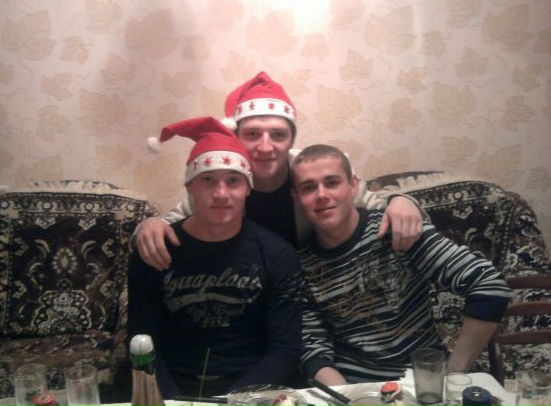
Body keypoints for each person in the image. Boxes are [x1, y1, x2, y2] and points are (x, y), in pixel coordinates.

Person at [137, 72, 424, 270]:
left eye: (277, 135)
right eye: (252, 134)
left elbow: (376, 205)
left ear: (291, 140)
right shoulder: (225, 183)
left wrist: (402, 200)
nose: (266, 147)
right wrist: (148, 226)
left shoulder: (313, 175)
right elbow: (174, 221)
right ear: (236, 138)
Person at [289, 144, 513, 385]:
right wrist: (347, 397)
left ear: (353, 185)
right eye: (309, 187)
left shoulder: (398, 230)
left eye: (332, 182)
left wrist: (453, 376)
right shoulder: (300, 264)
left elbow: (489, 288)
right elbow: (312, 349)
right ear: (296, 197)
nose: (322, 195)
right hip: (350, 387)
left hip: (418, 383)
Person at [128, 116, 304, 398]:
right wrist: (171, 400)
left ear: (248, 188)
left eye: (233, 181)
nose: (221, 193)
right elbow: (142, 343)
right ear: (189, 186)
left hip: (251, 391)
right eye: (208, 180)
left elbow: (285, 350)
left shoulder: (278, 254)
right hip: (174, 390)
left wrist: (232, 401)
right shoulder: (155, 250)